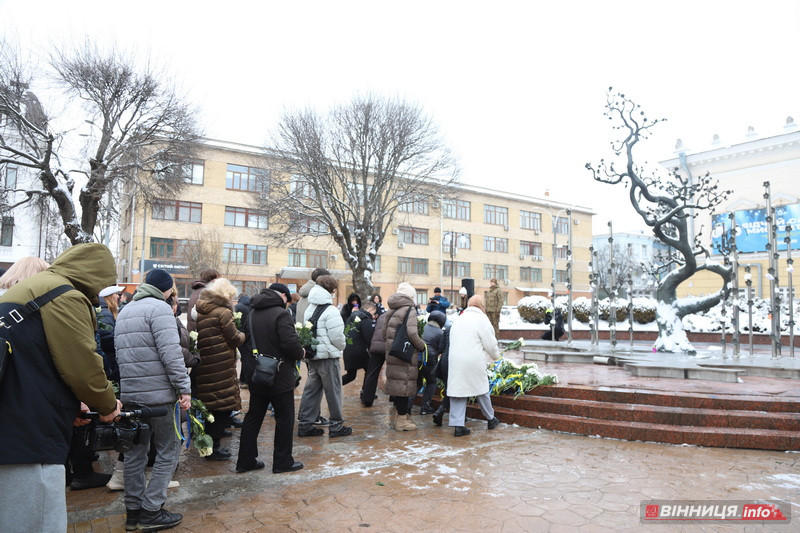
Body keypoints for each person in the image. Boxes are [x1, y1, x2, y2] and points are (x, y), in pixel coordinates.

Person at [0, 244, 121, 532]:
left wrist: (72, 402)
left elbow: (35, 358)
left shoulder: (31, 289)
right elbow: (82, 363)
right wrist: (106, 405)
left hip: (11, 419)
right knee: (37, 521)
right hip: (31, 432)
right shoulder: (64, 294)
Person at [115, 268, 191, 530]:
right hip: (159, 398)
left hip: (132, 396)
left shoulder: (125, 310)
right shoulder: (159, 310)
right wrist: (184, 388)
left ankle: (133, 512)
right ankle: (151, 509)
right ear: (167, 289)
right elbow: (172, 355)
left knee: (135, 454)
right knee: (168, 450)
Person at [236, 283, 305, 474]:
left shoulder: (252, 313)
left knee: (253, 417)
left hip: (257, 373)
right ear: (283, 296)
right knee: (284, 418)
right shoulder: (281, 314)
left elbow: (247, 343)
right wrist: (301, 352)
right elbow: (290, 344)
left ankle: (245, 461)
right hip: (279, 375)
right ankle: (282, 462)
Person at [193, 278, 245, 460]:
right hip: (221, 364)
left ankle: (210, 446)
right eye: (231, 296)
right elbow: (233, 339)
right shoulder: (223, 312)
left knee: (212, 406)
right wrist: (243, 335)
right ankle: (213, 448)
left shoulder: (203, 311)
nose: (233, 299)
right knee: (221, 407)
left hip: (208, 363)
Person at [297, 275, 352, 438]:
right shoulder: (331, 310)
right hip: (328, 358)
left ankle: (305, 425)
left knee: (311, 391)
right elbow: (337, 337)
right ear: (332, 290)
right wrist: (342, 346)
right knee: (333, 392)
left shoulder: (310, 308)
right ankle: (336, 426)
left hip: (313, 355)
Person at [447, 295, 502, 437]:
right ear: (481, 306)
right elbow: (490, 343)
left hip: (455, 359)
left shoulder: (459, 318)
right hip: (473, 360)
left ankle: (458, 426)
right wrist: (496, 356)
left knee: (458, 391)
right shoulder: (481, 319)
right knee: (481, 389)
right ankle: (491, 419)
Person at [383, 282, 426, 431]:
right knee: (404, 385)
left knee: (397, 384)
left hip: (393, 351)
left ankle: (398, 417)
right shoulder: (410, 310)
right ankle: (401, 422)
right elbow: (412, 333)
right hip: (404, 353)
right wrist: (422, 346)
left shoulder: (392, 309)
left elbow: (384, 333)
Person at [417, 310, 446, 415]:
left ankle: (408, 405)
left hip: (417, 358)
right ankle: (425, 406)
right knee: (431, 381)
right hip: (429, 360)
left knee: (417, 381)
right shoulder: (440, 333)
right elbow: (441, 349)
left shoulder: (422, 327)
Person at [342, 301, 376, 386]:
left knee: (351, 375)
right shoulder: (366, 319)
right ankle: (366, 393)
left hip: (348, 350)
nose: (373, 315)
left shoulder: (350, 318)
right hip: (360, 351)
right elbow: (368, 338)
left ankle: (332, 386)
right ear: (370, 309)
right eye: (373, 313)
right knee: (370, 371)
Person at [361, 305, 389, 407]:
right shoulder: (396, 316)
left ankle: (367, 398)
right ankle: (394, 397)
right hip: (386, 347)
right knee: (393, 371)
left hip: (376, 346)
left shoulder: (381, 316)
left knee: (372, 373)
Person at [186, 268, 219, 333]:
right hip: (200, 330)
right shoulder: (206, 292)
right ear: (212, 280)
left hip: (194, 328)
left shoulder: (198, 290)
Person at [235, 293, 255, 386]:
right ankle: (244, 379)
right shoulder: (253, 306)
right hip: (251, 336)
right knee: (248, 358)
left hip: (241, 335)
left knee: (245, 358)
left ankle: (246, 380)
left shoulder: (238, 306)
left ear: (239, 298)